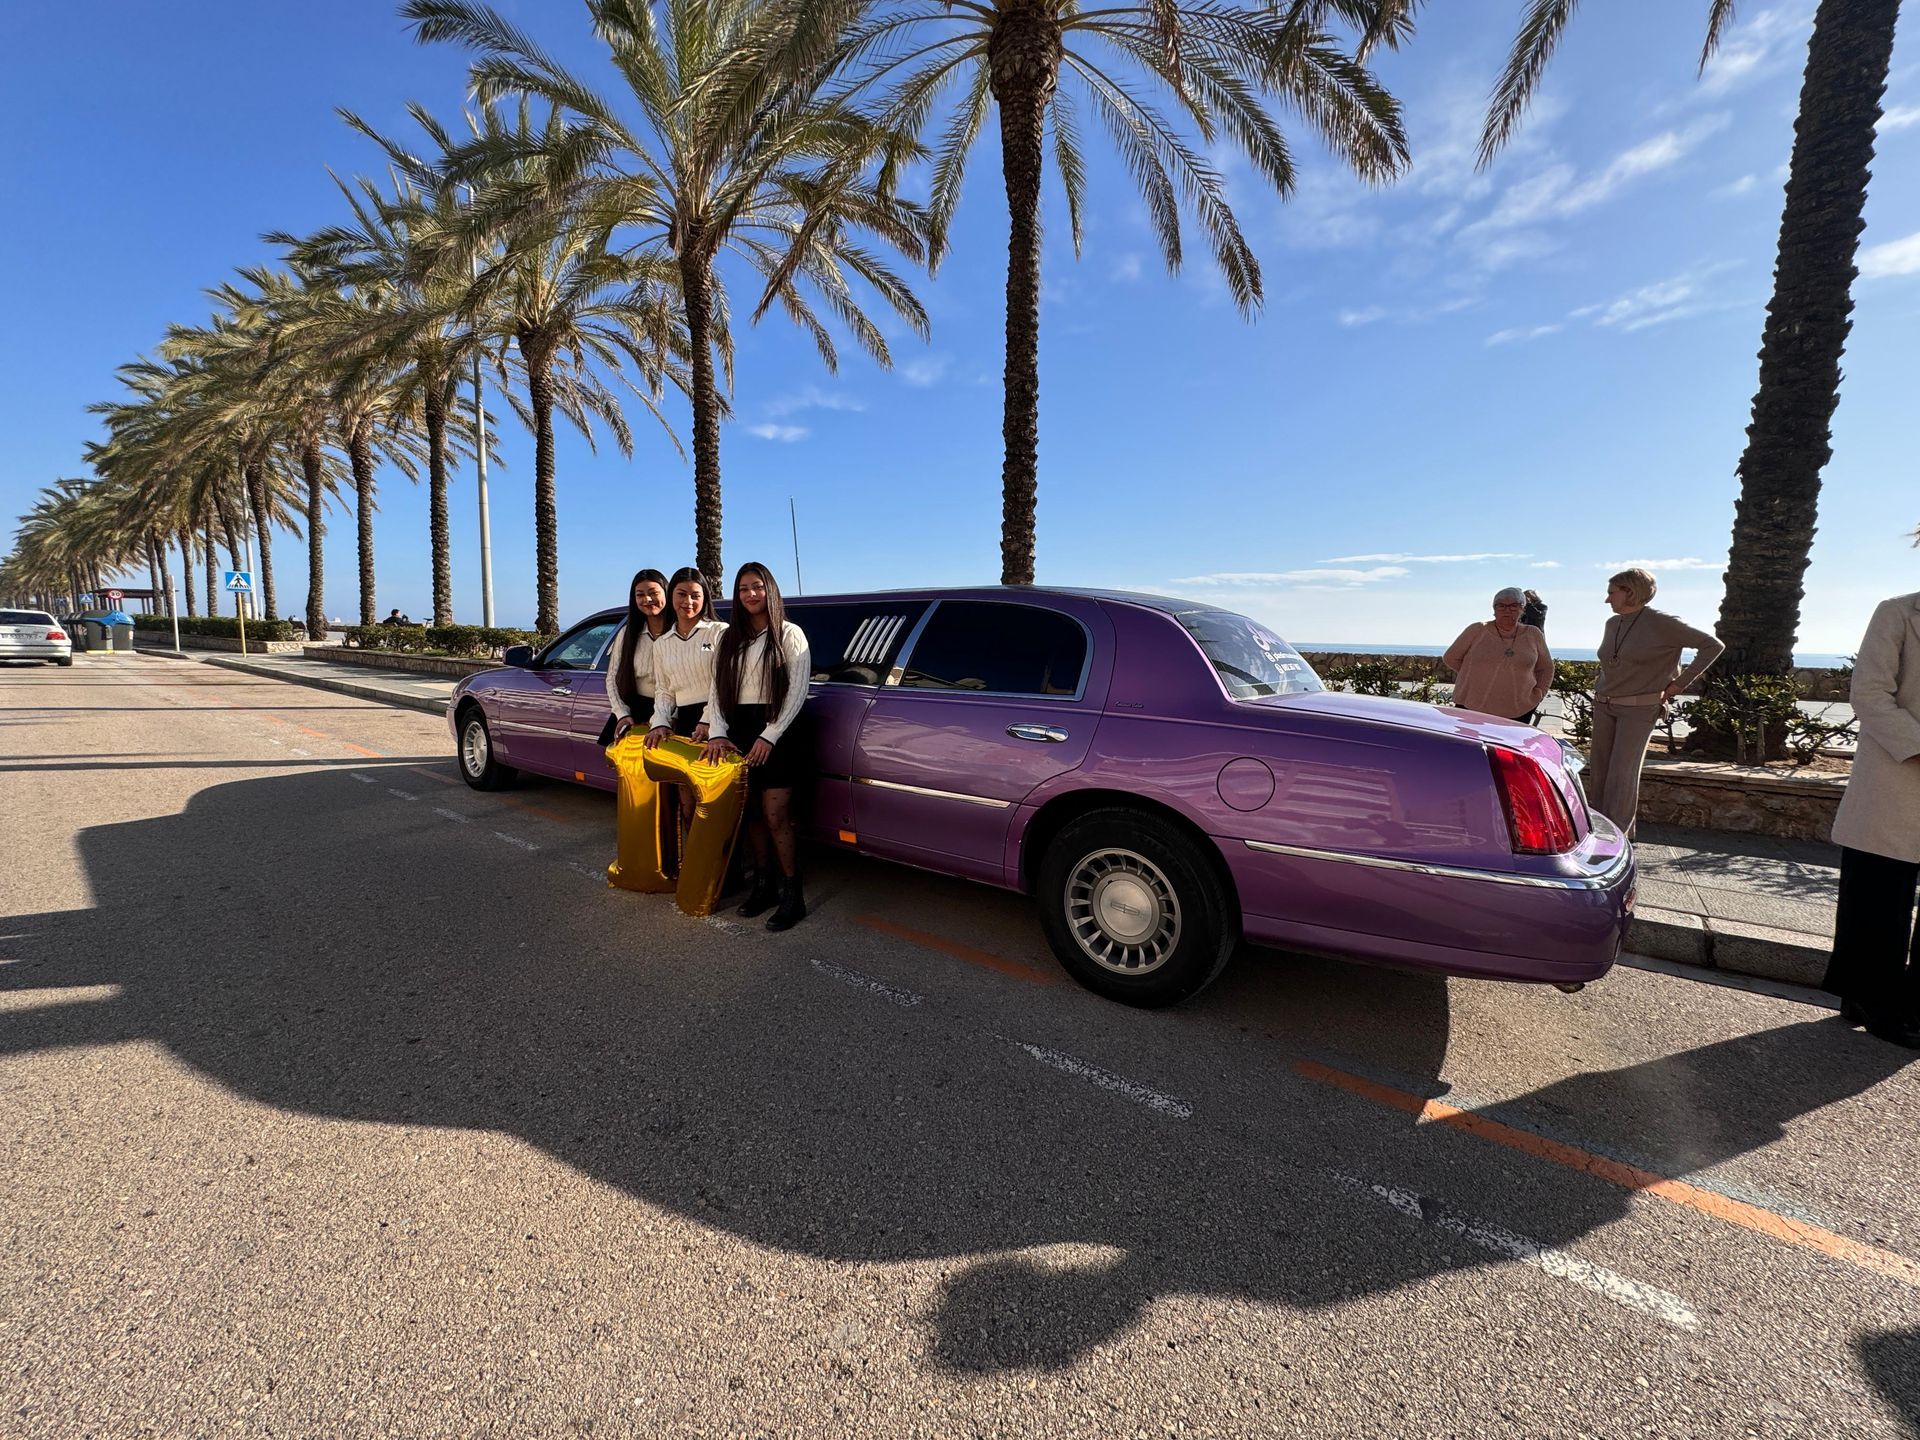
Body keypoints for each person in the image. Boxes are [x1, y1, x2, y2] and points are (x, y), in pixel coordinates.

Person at [1825, 587, 1920, 1049]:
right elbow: (1869, 693)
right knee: (1879, 892)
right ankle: (1868, 998)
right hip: (1898, 775)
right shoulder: (1900, 612)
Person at [701, 563, 811, 931]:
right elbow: (717, 691)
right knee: (749, 815)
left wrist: (770, 734)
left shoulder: (790, 634)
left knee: (775, 815)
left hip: (778, 730)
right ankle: (763, 887)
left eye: (757, 586)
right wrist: (717, 731)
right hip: (738, 730)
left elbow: (796, 692)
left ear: (770, 590)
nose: (750, 594)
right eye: (743, 588)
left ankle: (792, 895)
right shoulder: (729, 639)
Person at [1587, 567, 1725, 838]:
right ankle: (1597, 830)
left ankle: (1616, 837)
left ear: (1630, 592)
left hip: (1639, 708)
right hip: (1604, 704)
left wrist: (1679, 684)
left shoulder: (1662, 622)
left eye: (1611, 593)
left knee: (1622, 774)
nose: (1607, 600)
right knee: (1600, 770)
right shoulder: (1612, 623)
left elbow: (1712, 645)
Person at [1443, 587, 1553, 723]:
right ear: (1494, 609)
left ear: (1523, 609)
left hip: (1521, 708)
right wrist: (1477, 674)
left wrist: (1540, 693)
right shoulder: (1477, 630)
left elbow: (1546, 668)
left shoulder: (1533, 634)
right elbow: (1450, 658)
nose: (1507, 610)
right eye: (1501, 606)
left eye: (1514, 606)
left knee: (1511, 744)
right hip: (1472, 706)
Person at [603, 568, 670, 744]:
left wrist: (667, 718)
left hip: (672, 715)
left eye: (653, 593)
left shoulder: (679, 633)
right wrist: (621, 714)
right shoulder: (627, 634)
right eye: (640, 594)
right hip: (634, 714)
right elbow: (612, 677)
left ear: (667, 593)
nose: (647, 599)